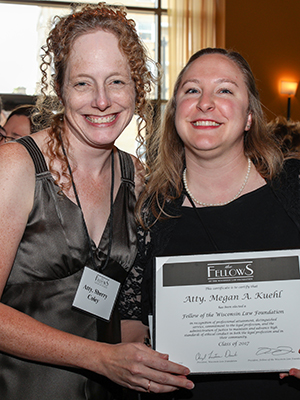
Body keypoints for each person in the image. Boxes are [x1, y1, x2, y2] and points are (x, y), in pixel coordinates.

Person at [0, 3, 194, 400]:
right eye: (83, 83)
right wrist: (100, 358)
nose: (102, 101)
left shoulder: (136, 176)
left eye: (117, 82)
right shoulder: (16, 167)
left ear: (137, 88)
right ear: (59, 88)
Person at [125, 47, 300, 399]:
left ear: (249, 116)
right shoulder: (149, 210)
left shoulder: (294, 187)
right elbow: (131, 318)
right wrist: (139, 364)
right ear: (175, 113)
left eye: (224, 90)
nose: (205, 103)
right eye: (191, 90)